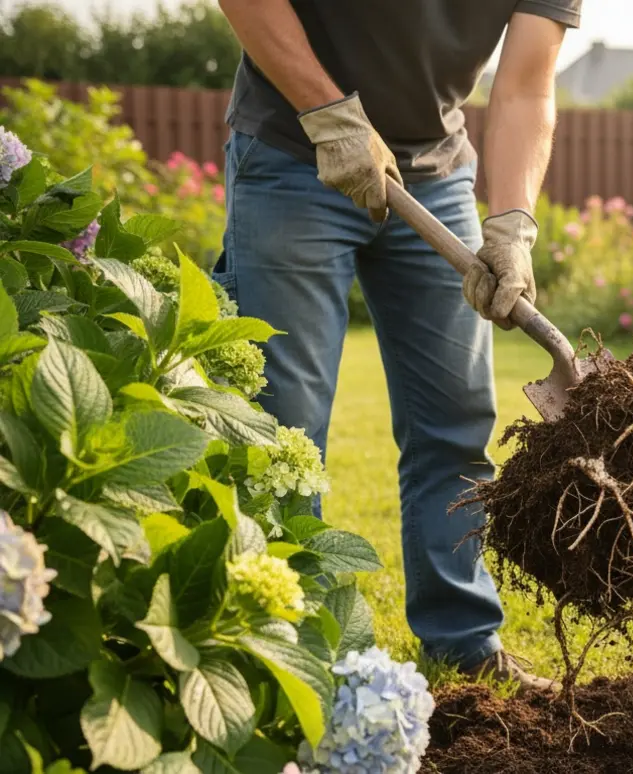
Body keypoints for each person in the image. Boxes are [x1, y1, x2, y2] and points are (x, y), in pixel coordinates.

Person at [214, 0, 582, 693]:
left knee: (456, 418)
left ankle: (465, 639)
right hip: (295, 151)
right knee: (279, 427)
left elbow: (528, 83)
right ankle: (287, 641)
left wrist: (511, 221)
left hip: (437, 173)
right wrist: (328, 113)